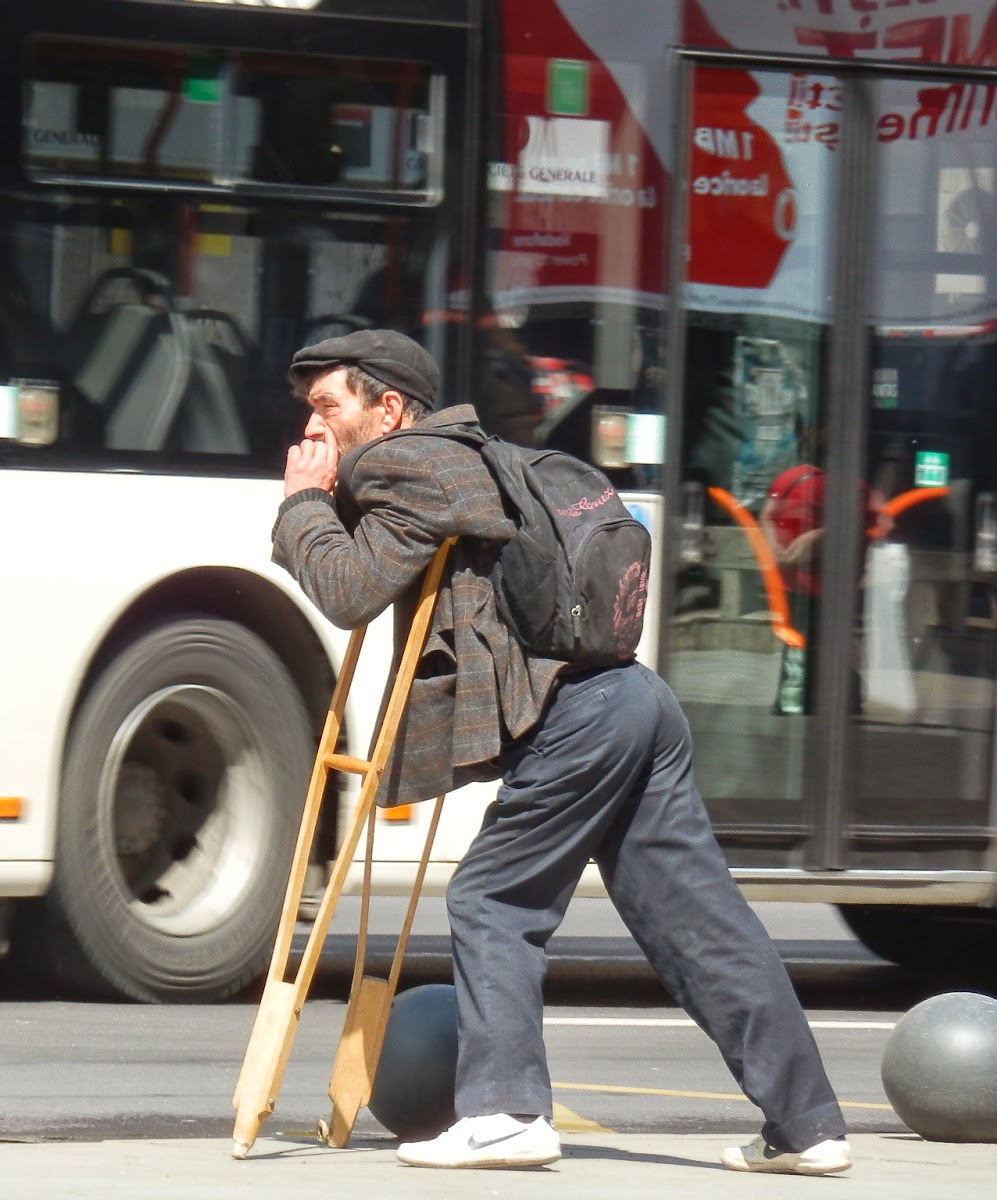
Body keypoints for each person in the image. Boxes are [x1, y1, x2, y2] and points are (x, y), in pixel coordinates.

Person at [271, 328, 851, 1175]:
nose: (314, 429)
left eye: (329, 406)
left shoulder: (407, 464)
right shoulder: (478, 455)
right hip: (634, 700)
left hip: (580, 717)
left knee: (490, 899)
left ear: (388, 408)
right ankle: (808, 1126)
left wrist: (302, 503)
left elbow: (348, 589)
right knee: (699, 922)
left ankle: (506, 1113)